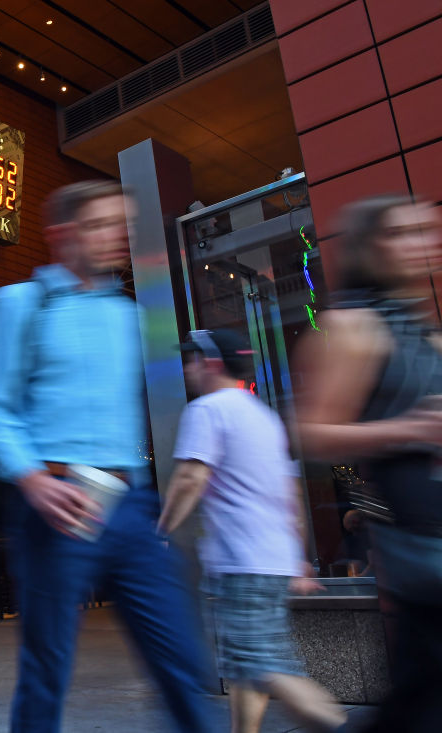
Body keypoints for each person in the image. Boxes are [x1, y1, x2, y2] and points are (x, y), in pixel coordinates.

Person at [0, 180, 211, 733]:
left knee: (178, 653)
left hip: (130, 506)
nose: (115, 237)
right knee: (48, 664)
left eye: (121, 225)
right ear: (60, 234)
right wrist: (32, 480)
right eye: (99, 224)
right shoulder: (18, 304)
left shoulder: (130, 317)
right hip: (56, 504)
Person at [293, 195, 442, 733]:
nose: (425, 243)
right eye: (401, 233)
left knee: (420, 696)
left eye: (429, 229)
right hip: (420, 544)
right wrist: (412, 429)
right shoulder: (354, 327)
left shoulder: (424, 330)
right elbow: (312, 433)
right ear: (369, 247)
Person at [157, 328, 345, 733]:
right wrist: (297, 557)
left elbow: (191, 477)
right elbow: (289, 494)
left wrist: (161, 530)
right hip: (271, 561)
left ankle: (336, 724)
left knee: (265, 666)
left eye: (192, 360)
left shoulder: (208, 409)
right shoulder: (264, 417)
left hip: (242, 561)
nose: (187, 368)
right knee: (248, 663)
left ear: (211, 363)